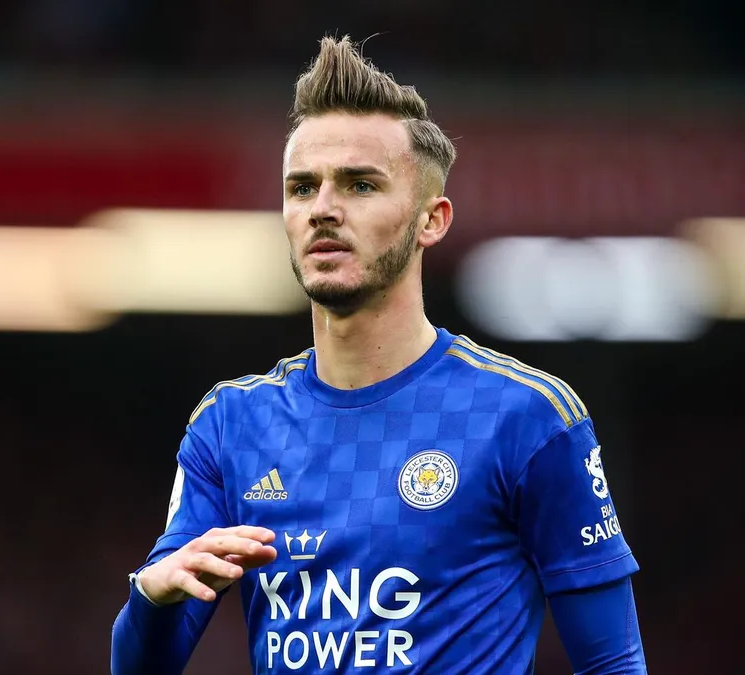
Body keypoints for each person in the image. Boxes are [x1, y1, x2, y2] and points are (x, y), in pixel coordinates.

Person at [111, 34, 646, 675]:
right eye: (302, 188)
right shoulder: (230, 425)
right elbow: (142, 663)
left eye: (360, 186)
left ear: (431, 220)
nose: (323, 210)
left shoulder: (527, 417)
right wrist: (150, 597)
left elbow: (614, 662)